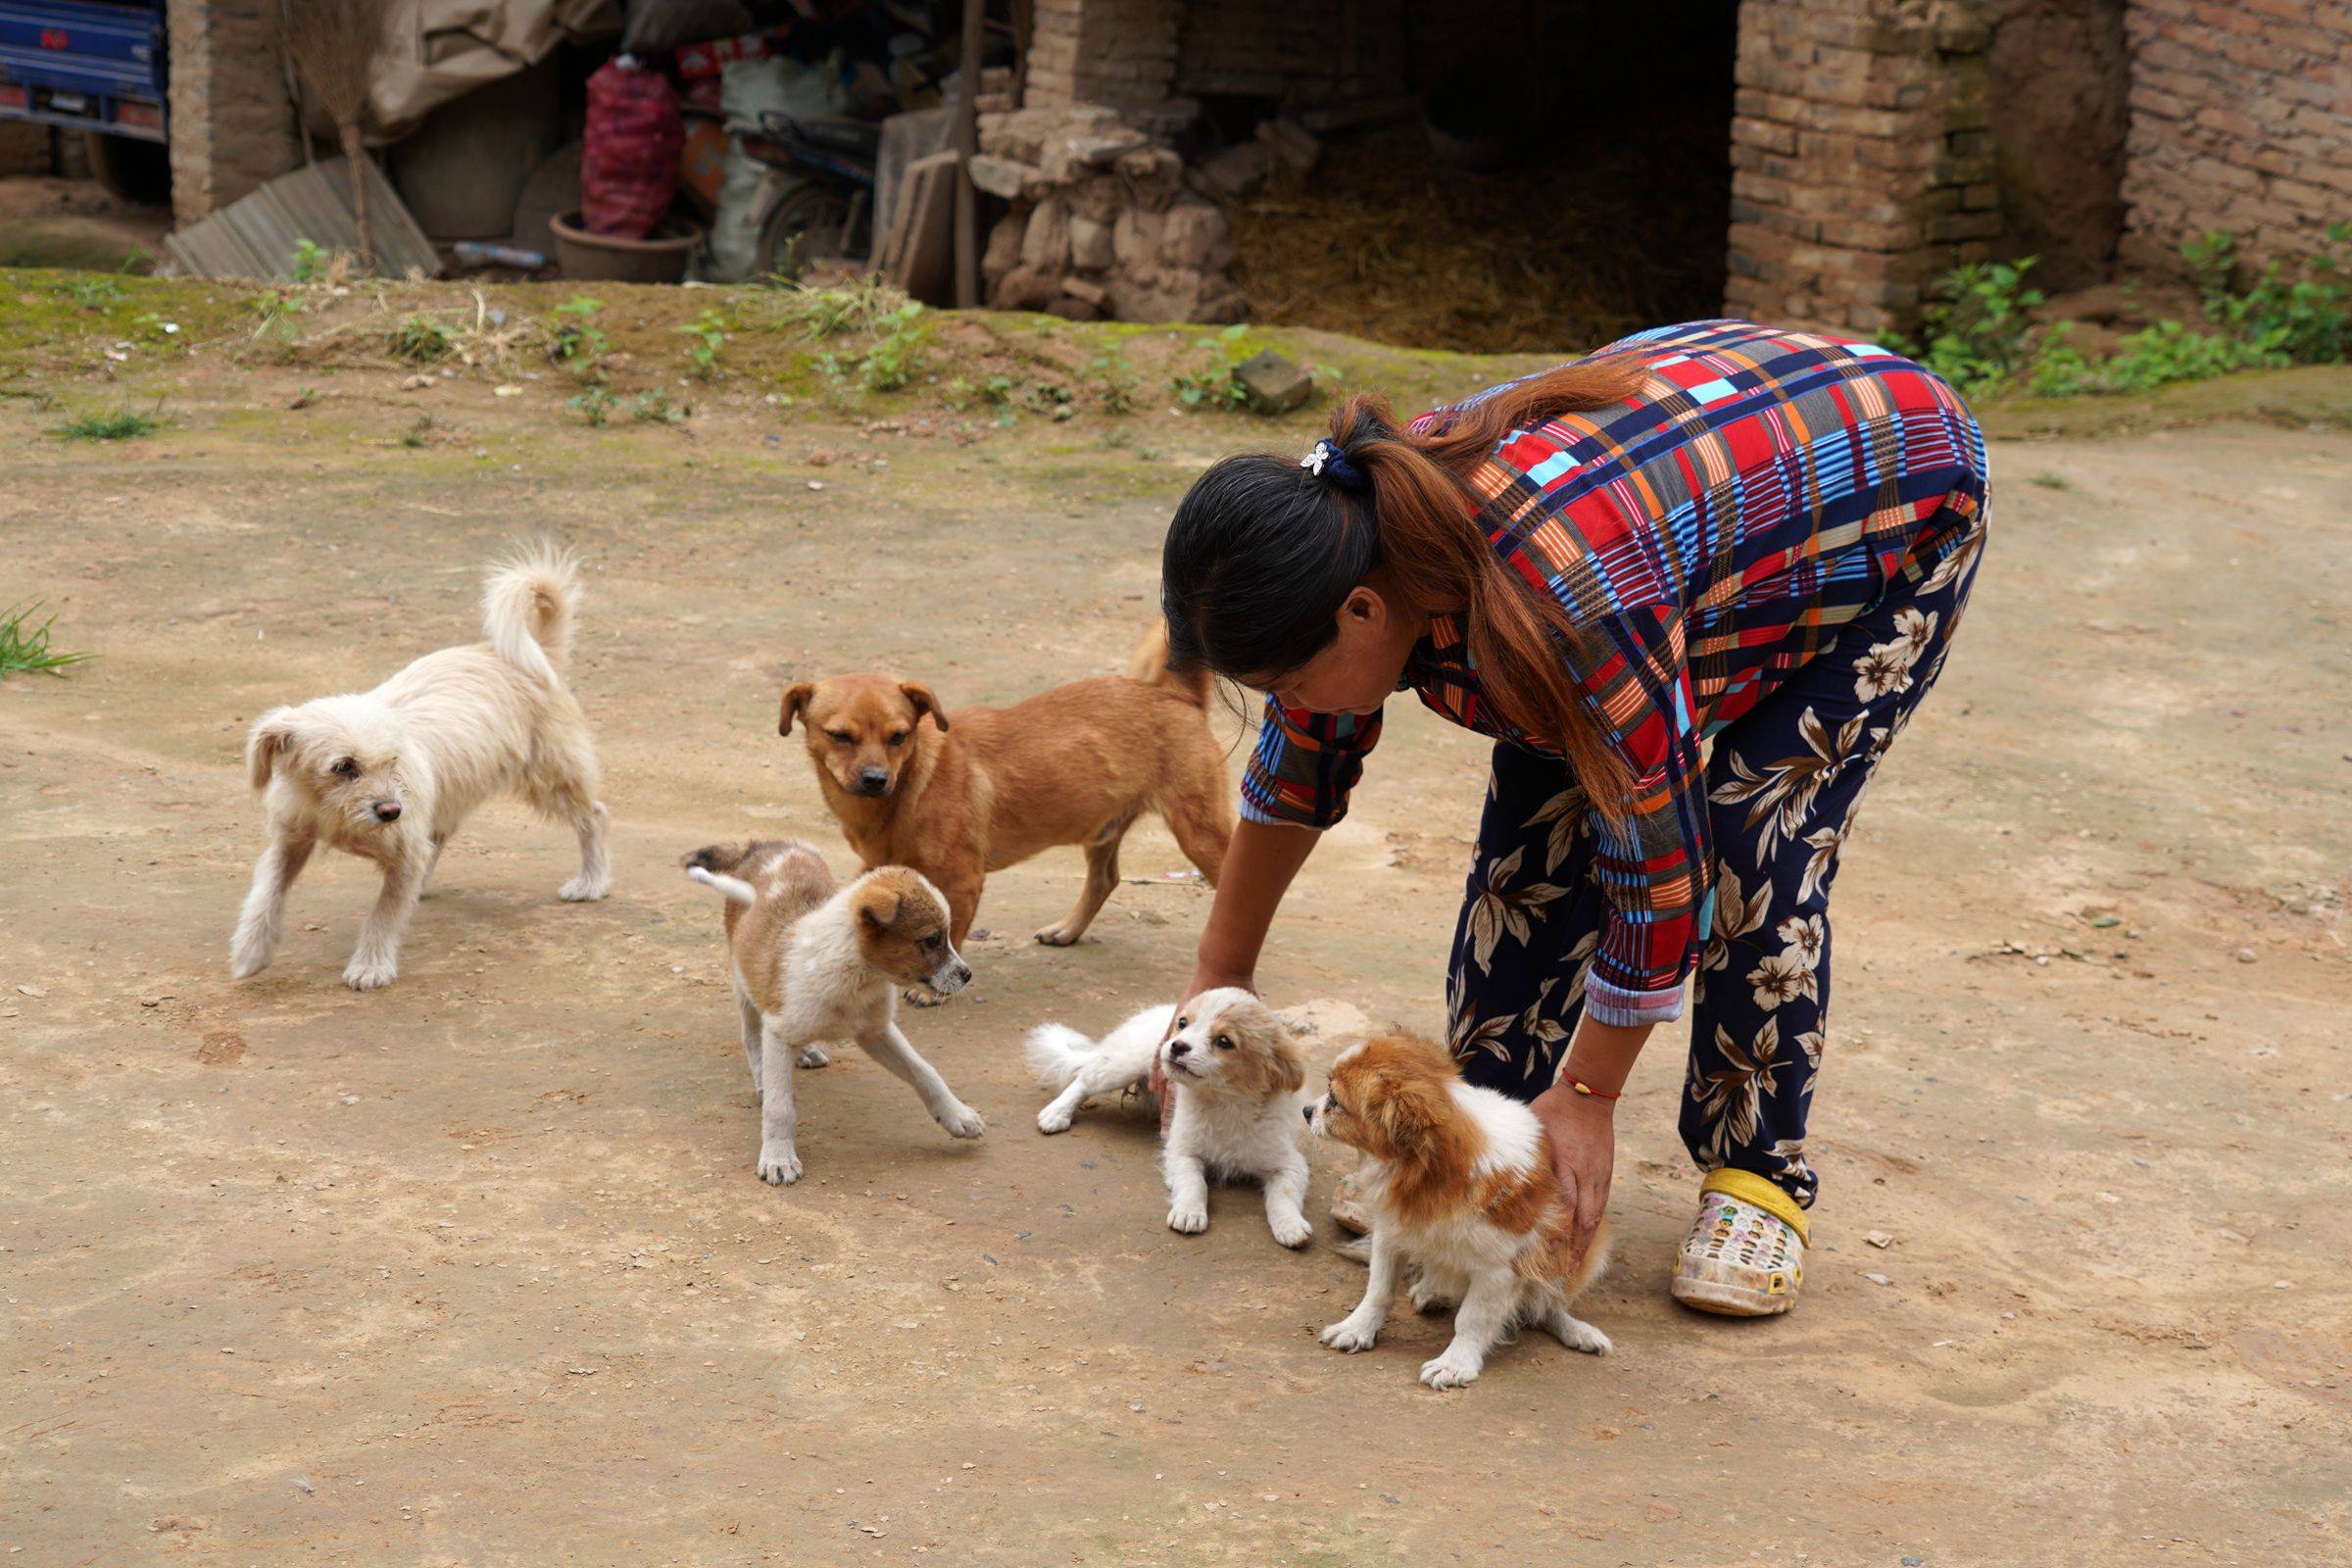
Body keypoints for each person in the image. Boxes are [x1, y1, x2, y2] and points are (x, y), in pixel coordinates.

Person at [1154, 319, 1987, 1317]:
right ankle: (1494, 1135)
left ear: (1365, 614)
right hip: (1700, 497)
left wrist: (1590, 1097)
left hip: (1887, 490)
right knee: (1533, 845)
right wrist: (1219, 974)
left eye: (1288, 679)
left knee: (1748, 841)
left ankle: (1757, 1176)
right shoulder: (1347, 547)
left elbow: (1658, 859)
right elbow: (1300, 763)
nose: (1293, 701)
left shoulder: (1560, 601)